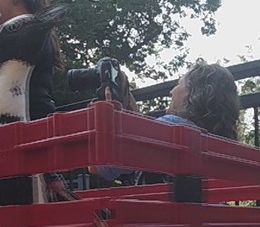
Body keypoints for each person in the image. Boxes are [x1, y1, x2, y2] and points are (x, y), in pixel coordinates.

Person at [94, 60, 240, 184]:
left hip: (163, 217)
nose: (171, 92)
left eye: (178, 85)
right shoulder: (216, 143)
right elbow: (148, 141)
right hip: (204, 216)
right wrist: (127, 96)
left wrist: (107, 117)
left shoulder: (173, 130)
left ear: (192, 93)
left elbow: (100, 166)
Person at [0, 0, 61, 121]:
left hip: (23, 125)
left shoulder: (16, 32)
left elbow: (4, 94)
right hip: (38, 119)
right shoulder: (38, 30)